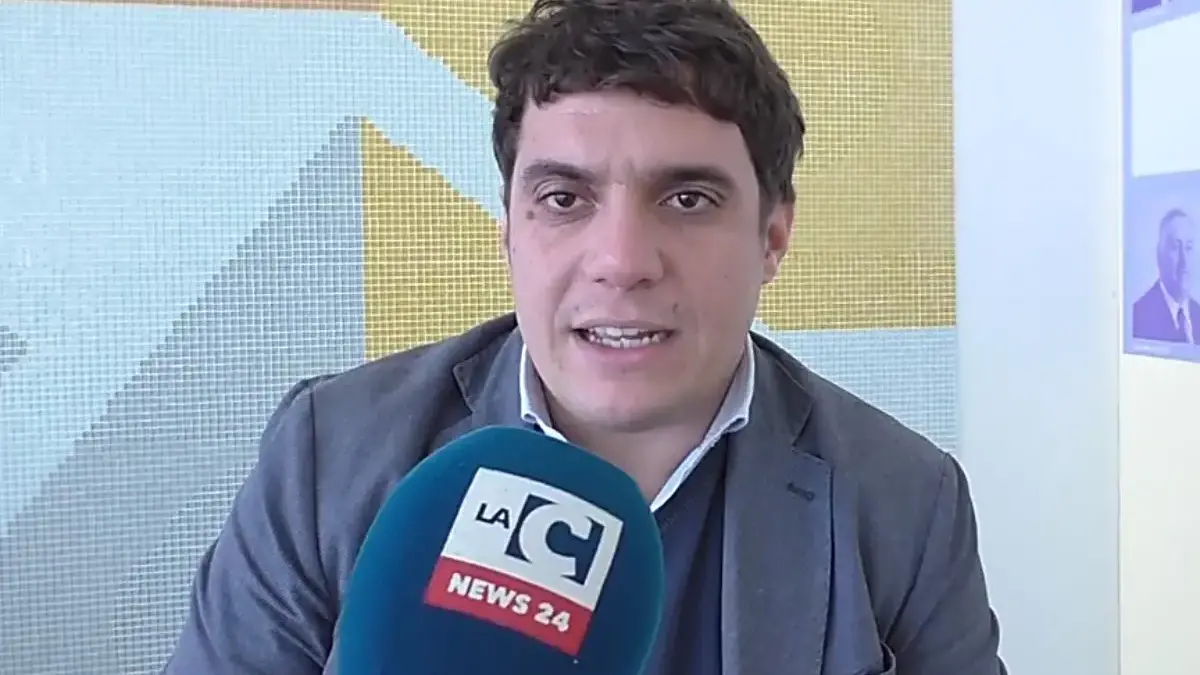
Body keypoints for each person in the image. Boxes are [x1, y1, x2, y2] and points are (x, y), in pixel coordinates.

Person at [163, 1, 1006, 673]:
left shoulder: (908, 501)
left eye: (688, 199)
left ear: (773, 238)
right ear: (510, 228)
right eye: (564, 199)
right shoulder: (328, 456)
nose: (622, 261)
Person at [1131, 207, 1199, 343]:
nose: (1184, 260)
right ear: (1159, 255)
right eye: (1176, 247)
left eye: (1189, 248)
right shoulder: (1138, 316)